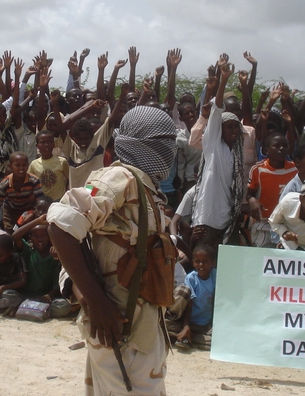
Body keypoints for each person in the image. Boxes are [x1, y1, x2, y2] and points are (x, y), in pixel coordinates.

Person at [47, 104, 177, 395]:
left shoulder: (145, 186)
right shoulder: (120, 178)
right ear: (144, 143)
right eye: (165, 142)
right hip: (119, 328)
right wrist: (96, 303)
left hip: (138, 326)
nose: (171, 150)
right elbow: (60, 225)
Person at [191, 57, 244, 250]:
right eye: (228, 127)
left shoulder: (235, 154)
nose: (232, 131)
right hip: (207, 218)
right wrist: (224, 80)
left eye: (235, 128)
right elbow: (217, 108)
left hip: (226, 219)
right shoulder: (213, 144)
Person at [12, 215, 71, 318]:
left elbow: (57, 280)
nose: (40, 240)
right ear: (30, 238)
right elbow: (15, 236)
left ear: (48, 237)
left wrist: (50, 295)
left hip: (45, 299)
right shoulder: (28, 251)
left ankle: (32, 310)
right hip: (27, 296)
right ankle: (33, 310)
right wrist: (37, 221)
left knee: (64, 306)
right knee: (9, 295)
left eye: (43, 236)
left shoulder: (54, 255)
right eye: (36, 236)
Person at [247, 133, 297, 248]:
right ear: (267, 150)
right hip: (265, 223)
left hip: (289, 224)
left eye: (285, 146)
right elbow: (250, 194)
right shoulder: (258, 169)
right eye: (277, 146)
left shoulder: (295, 169)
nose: (282, 149)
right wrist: (252, 200)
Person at [174, 245, 216, 350]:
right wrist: (186, 326)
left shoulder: (215, 276)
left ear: (213, 263)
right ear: (193, 262)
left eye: (205, 261)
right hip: (189, 322)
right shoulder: (191, 278)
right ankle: (188, 334)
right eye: (197, 261)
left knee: (220, 340)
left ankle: (191, 338)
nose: (201, 265)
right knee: (183, 290)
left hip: (206, 325)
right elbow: (189, 303)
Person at [0, 152, 43, 232]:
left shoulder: (34, 181)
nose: (21, 168)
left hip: (28, 208)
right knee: (10, 233)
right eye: (17, 165)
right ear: (10, 166)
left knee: (29, 231)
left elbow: (40, 202)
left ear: (28, 165)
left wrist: (32, 213)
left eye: (24, 165)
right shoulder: (4, 184)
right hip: (11, 210)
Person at [28, 130, 69, 202]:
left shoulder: (62, 162)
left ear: (54, 144)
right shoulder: (34, 164)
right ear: (37, 146)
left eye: (49, 142)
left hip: (59, 201)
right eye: (42, 142)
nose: (46, 145)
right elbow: (29, 183)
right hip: (42, 202)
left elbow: (70, 179)